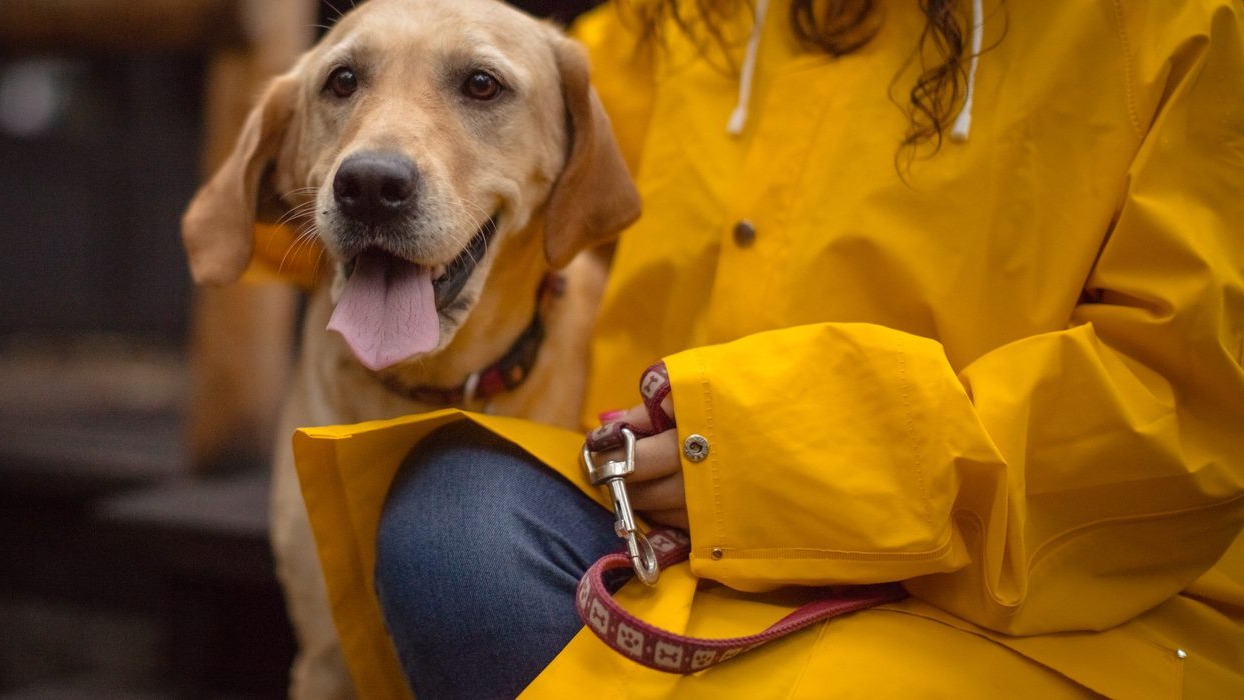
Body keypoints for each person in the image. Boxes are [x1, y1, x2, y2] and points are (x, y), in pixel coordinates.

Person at [294, 0, 1244, 697]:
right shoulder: (680, 22)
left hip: (1028, 615)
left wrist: (772, 463)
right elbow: (461, 124)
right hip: (671, 557)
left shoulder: (1194, 24)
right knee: (451, 525)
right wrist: (279, 207)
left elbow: (1187, 401)